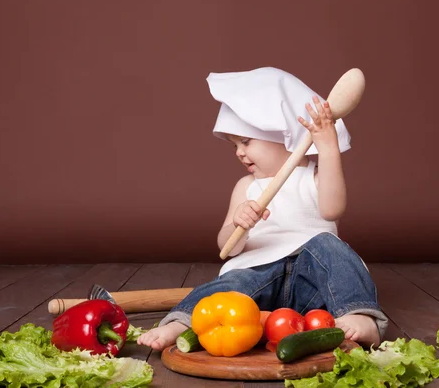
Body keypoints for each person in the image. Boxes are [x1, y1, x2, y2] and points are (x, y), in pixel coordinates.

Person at [138, 67, 388, 351]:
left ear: (286, 136)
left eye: (246, 141)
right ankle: (184, 322)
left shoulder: (315, 176)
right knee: (232, 281)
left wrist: (328, 148)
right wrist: (238, 225)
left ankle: (358, 314)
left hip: (312, 284)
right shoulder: (247, 187)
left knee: (331, 248)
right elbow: (227, 248)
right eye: (234, 145)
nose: (239, 152)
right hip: (258, 282)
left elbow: (332, 210)